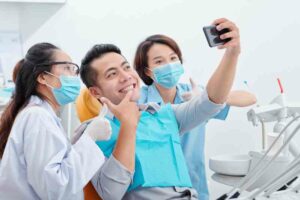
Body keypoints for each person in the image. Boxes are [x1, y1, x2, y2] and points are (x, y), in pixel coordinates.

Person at [78, 17, 241, 200]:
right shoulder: (91, 132)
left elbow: (210, 102)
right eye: (112, 74)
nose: (126, 77)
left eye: (126, 68)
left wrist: (232, 53)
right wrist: (128, 126)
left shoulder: (162, 113)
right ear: (95, 92)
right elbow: (110, 193)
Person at [134, 34, 256, 200]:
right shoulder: (139, 100)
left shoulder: (193, 93)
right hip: (155, 192)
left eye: (173, 58)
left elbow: (249, 97)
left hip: (194, 187)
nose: (169, 65)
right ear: (148, 71)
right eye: (159, 61)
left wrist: (205, 100)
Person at [0, 42, 110, 200]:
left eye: (74, 70)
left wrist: (74, 146)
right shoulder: (37, 117)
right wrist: (90, 139)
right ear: (43, 77)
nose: (74, 76)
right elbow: (57, 190)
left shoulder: (41, 114)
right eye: (67, 67)